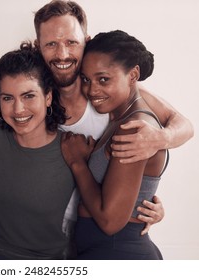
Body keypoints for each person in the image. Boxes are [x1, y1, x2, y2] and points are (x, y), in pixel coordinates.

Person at [33, 0, 193, 251]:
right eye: (51, 43)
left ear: (85, 41)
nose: (62, 54)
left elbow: (184, 124)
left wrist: (159, 139)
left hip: (106, 244)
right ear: (38, 47)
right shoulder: (29, 96)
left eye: (71, 42)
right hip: (53, 244)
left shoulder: (116, 93)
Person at [61, 30, 168, 259]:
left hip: (118, 251)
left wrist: (78, 163)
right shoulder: (121, 117)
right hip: (107, 250)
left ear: (133, 75)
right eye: (87, 80)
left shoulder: (134, 130)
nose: (92, 90)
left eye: (103, 79)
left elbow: (110, 221)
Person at [0, 42, 75, 260]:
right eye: (7, 98)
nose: (18, 109)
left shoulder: (73, 148)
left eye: (28, 96)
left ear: (48, 97)